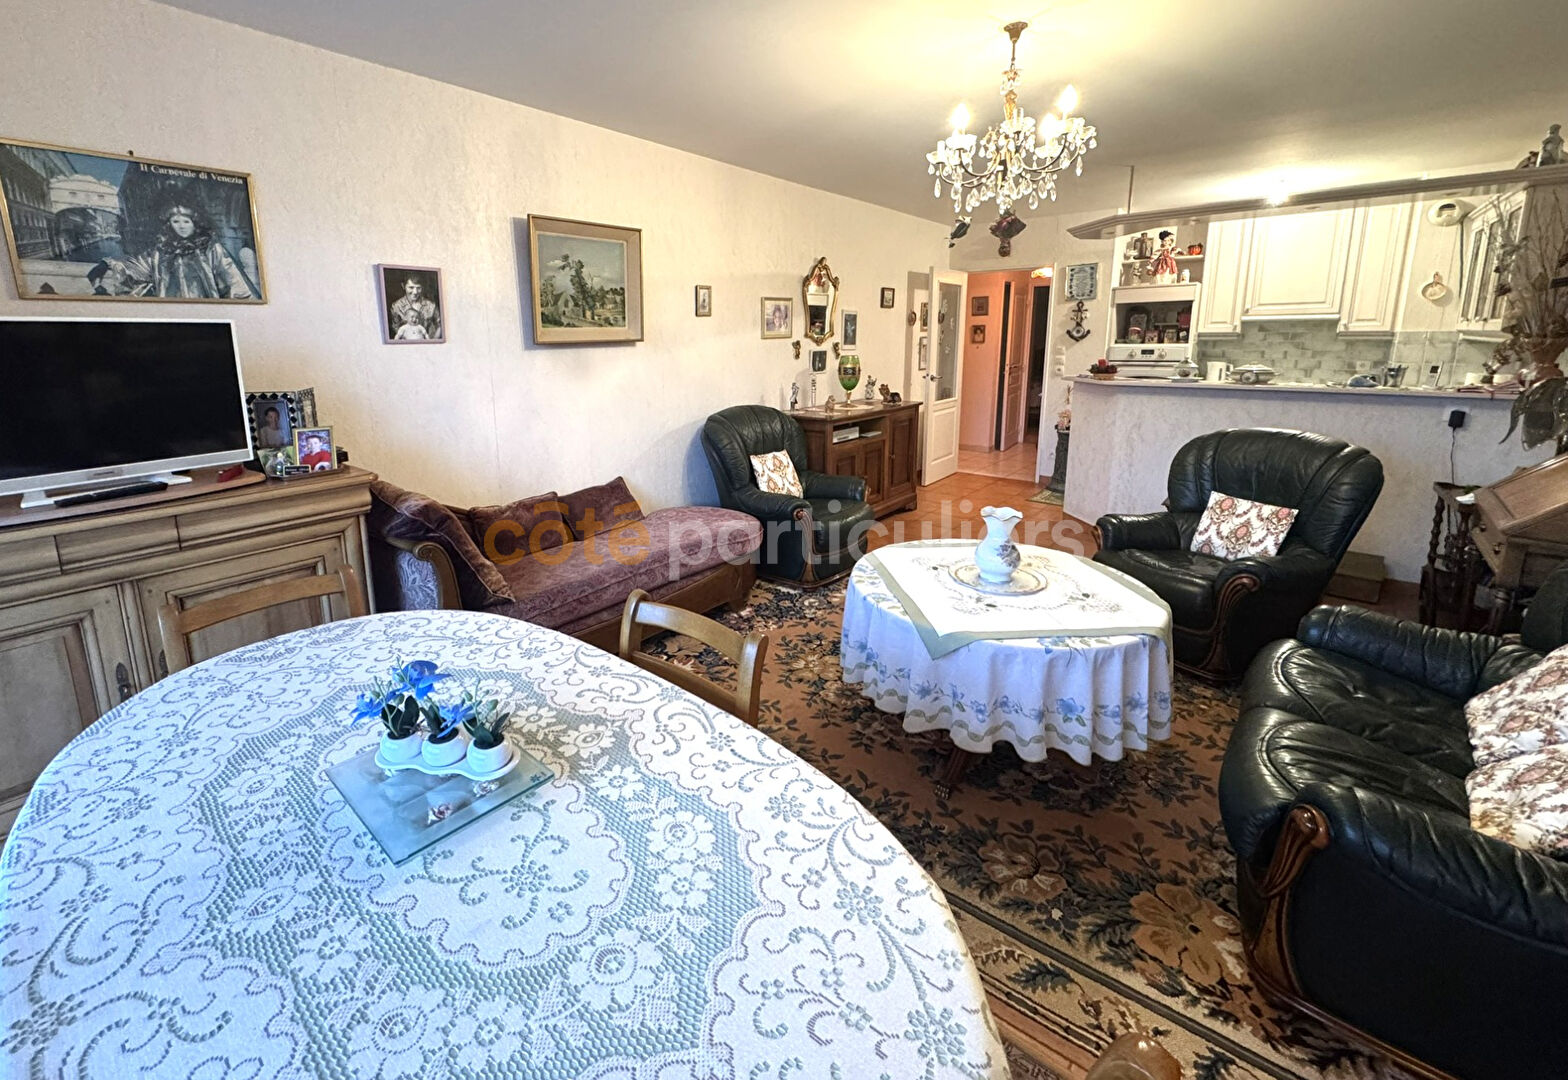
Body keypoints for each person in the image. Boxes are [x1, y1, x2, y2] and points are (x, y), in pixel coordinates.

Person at [89, 205, 256, 300]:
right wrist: (108, 263)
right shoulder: (160, 251)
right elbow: (137, 269)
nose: (181, 226)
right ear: (169, 224)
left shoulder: (210, 248)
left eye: (186, 221)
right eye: (176, 221)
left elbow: (232, 280)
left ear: (194, 223)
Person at [389, 275, 441, 339]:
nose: (415, 292)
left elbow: (440, 326)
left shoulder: (431, 305)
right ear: (403, 286)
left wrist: (433, 341)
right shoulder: (396, 306)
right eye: (411, 287)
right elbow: (396, 329)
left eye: (418, 288)